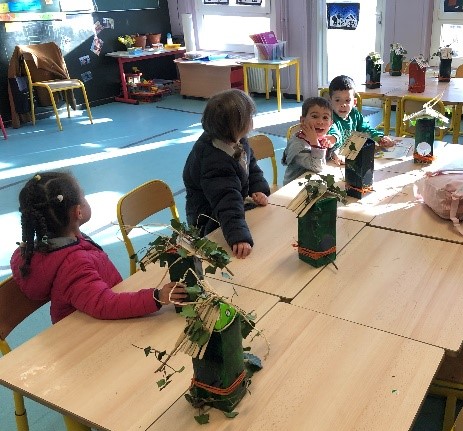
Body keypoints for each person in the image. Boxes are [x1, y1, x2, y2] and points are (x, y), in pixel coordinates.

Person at [10, 172, 187, 324]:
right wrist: (157, 297)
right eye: (83, 196)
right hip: (89, 334)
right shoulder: (74, 264)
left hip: (98, 317)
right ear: (78, 212)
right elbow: (104, 304)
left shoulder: (58, 244)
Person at [183, 89, 271, 259]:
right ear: (236, 126)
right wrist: (238, 236)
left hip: (232, 210)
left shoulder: (237, 139)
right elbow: (226, 199)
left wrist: (258, 188)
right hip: (209, 221)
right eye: (249, 117)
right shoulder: (214, 160)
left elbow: (251, 166)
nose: (252, 121)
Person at [326, 75, 395, 161]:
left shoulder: (354, 114)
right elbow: (333, 134)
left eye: (347, 100)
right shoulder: (328, 118)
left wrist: (379, 138)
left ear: (354, 102)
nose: (343, 104)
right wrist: (334, 150)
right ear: (330, 102)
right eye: (337, 100)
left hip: (351, 155)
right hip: (334, 158)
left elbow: (365, 129)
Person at [282, 96, 335, 185]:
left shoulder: (320, 137)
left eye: (325, 117)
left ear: (330, 124)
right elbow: (318, 167)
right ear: (303, 121)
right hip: (295, 187)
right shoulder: (298, 145)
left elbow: (325, 156)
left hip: (313, 182)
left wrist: (334, 154)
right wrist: (315, 142)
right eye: (314, 116)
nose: (320, 122)